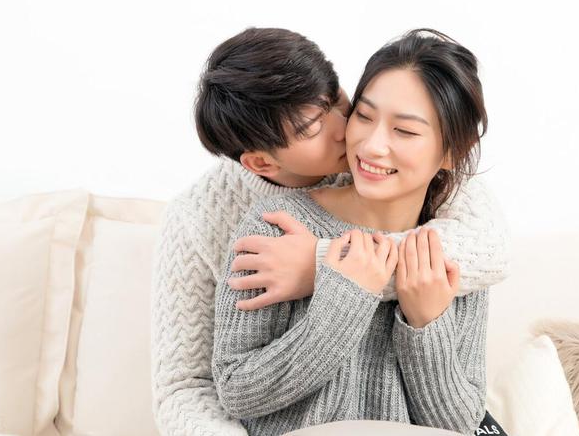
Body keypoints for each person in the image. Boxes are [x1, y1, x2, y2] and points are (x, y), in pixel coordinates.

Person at [152, 27, 509, 436]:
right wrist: (346, 292)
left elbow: (460, 419)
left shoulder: (444, 234)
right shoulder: (247, 223)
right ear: (262, 163)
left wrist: (323, 265)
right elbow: (205, 389)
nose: (356, 136)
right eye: (312, 128)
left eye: (339, 102)